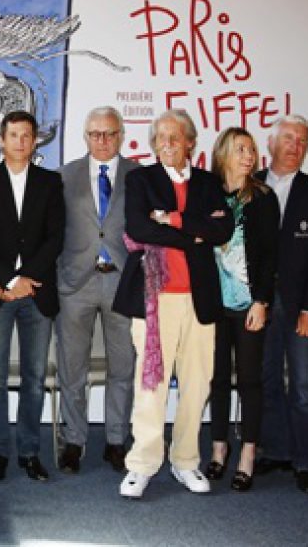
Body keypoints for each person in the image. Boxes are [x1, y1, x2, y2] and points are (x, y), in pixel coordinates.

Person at [113, 109, 233, 499]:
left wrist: (174, 221)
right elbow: (138, 227)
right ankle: (142, 465)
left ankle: (185, 462)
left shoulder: (209, 183)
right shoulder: (141, 179)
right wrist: (192, 234)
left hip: (199, 300)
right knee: (151, 386)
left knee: (197, 385)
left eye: (174, 137)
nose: (166, 144)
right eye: (160, 138)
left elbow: (222, 228)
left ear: (190, 143)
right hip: (154, 299)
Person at [0, 111, 65, 482]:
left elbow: (55, 238)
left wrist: (26, 279)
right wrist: (10, 280)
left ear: (35, 140)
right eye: (13, 135)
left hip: (37, 293)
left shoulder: (49, 182)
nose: (20, 142)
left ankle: (28, 451)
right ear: (2, 139)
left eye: (27, 135)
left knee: (33, 375)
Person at [55, 106, 139, 474]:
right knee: (73, 369)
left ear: (121, 135)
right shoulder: (64, 176)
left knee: (122, 367)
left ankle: (117, 441)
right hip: (76, 284)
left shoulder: (139, 176)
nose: (102, 141)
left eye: (109, 133)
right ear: (85, 136)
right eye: (95, 134)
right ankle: (74, 440)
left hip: (123, 282)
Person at [256, 115, 308, 495]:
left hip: (302, 305)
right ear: (270, 143)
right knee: (267, 379)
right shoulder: (247, 184)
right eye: (288, 138)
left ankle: (304, 462)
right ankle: (276, 449)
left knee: (304, 384)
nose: (295, 146)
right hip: (259, 302)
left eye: (302, 141)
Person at [205, 128, 279, 492]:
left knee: (250, 380)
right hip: (212, 306)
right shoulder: (207, 193)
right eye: (240, 149)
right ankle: (219, 448)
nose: (249, 156)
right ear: (223, 155)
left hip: (249, 305)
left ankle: (248, 453)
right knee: (217, 379)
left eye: (251, 149)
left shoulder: (264, 198)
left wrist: (262, 301)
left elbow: (269, 258)